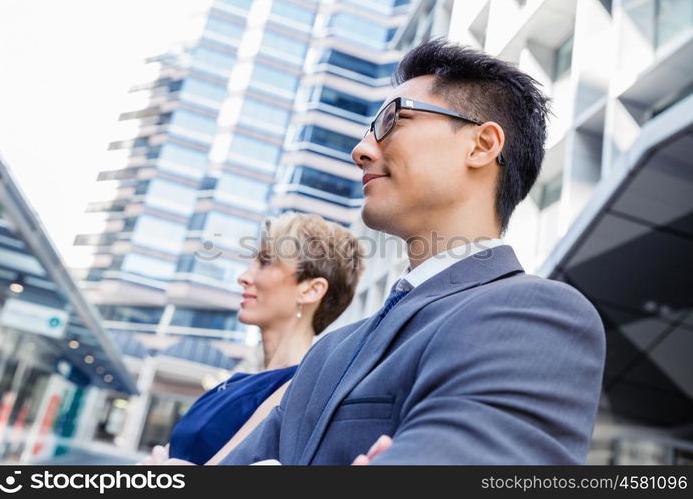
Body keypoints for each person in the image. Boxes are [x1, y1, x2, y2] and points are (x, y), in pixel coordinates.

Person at [217, 38, 607, 465]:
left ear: (481, 145)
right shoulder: (327, 354)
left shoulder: (537, 316)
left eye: (391, 120)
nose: (360, 150)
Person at [140, 212, 365, 465]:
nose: (244, 276)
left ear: (310, 290)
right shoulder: (243, 383)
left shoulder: (298, 388)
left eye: (266, 262)